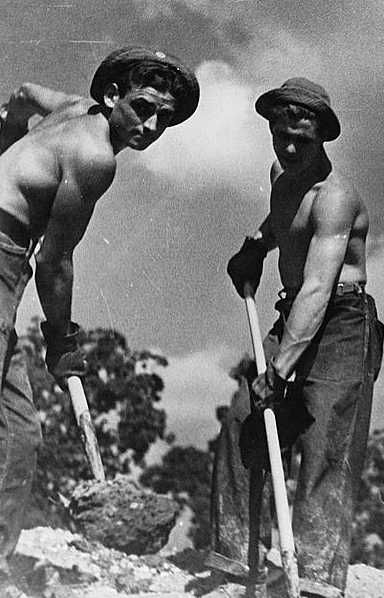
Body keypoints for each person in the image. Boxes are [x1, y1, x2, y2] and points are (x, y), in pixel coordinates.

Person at [0, 47, 198, 591]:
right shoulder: (95, 157)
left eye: (165, 118)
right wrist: (61, 337)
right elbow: (56, 263)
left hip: (7, 265)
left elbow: (19, 97)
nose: (152, 125)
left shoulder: (67, 108)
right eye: (143, 107)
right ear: (112, 96)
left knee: (19, 434)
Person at [211, 77, 384, 598]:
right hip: (297, 312)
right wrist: (256, 247)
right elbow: (282, 221)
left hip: (340, 321)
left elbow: (318, 286)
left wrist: (280, 368)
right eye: (280, 135)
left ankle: (313, 583)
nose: (288, 148)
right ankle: (235, 565)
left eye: (301, 140)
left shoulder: (337, 198)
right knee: (245, 418)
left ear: (323, 136)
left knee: (325, 442)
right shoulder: (281, 175)